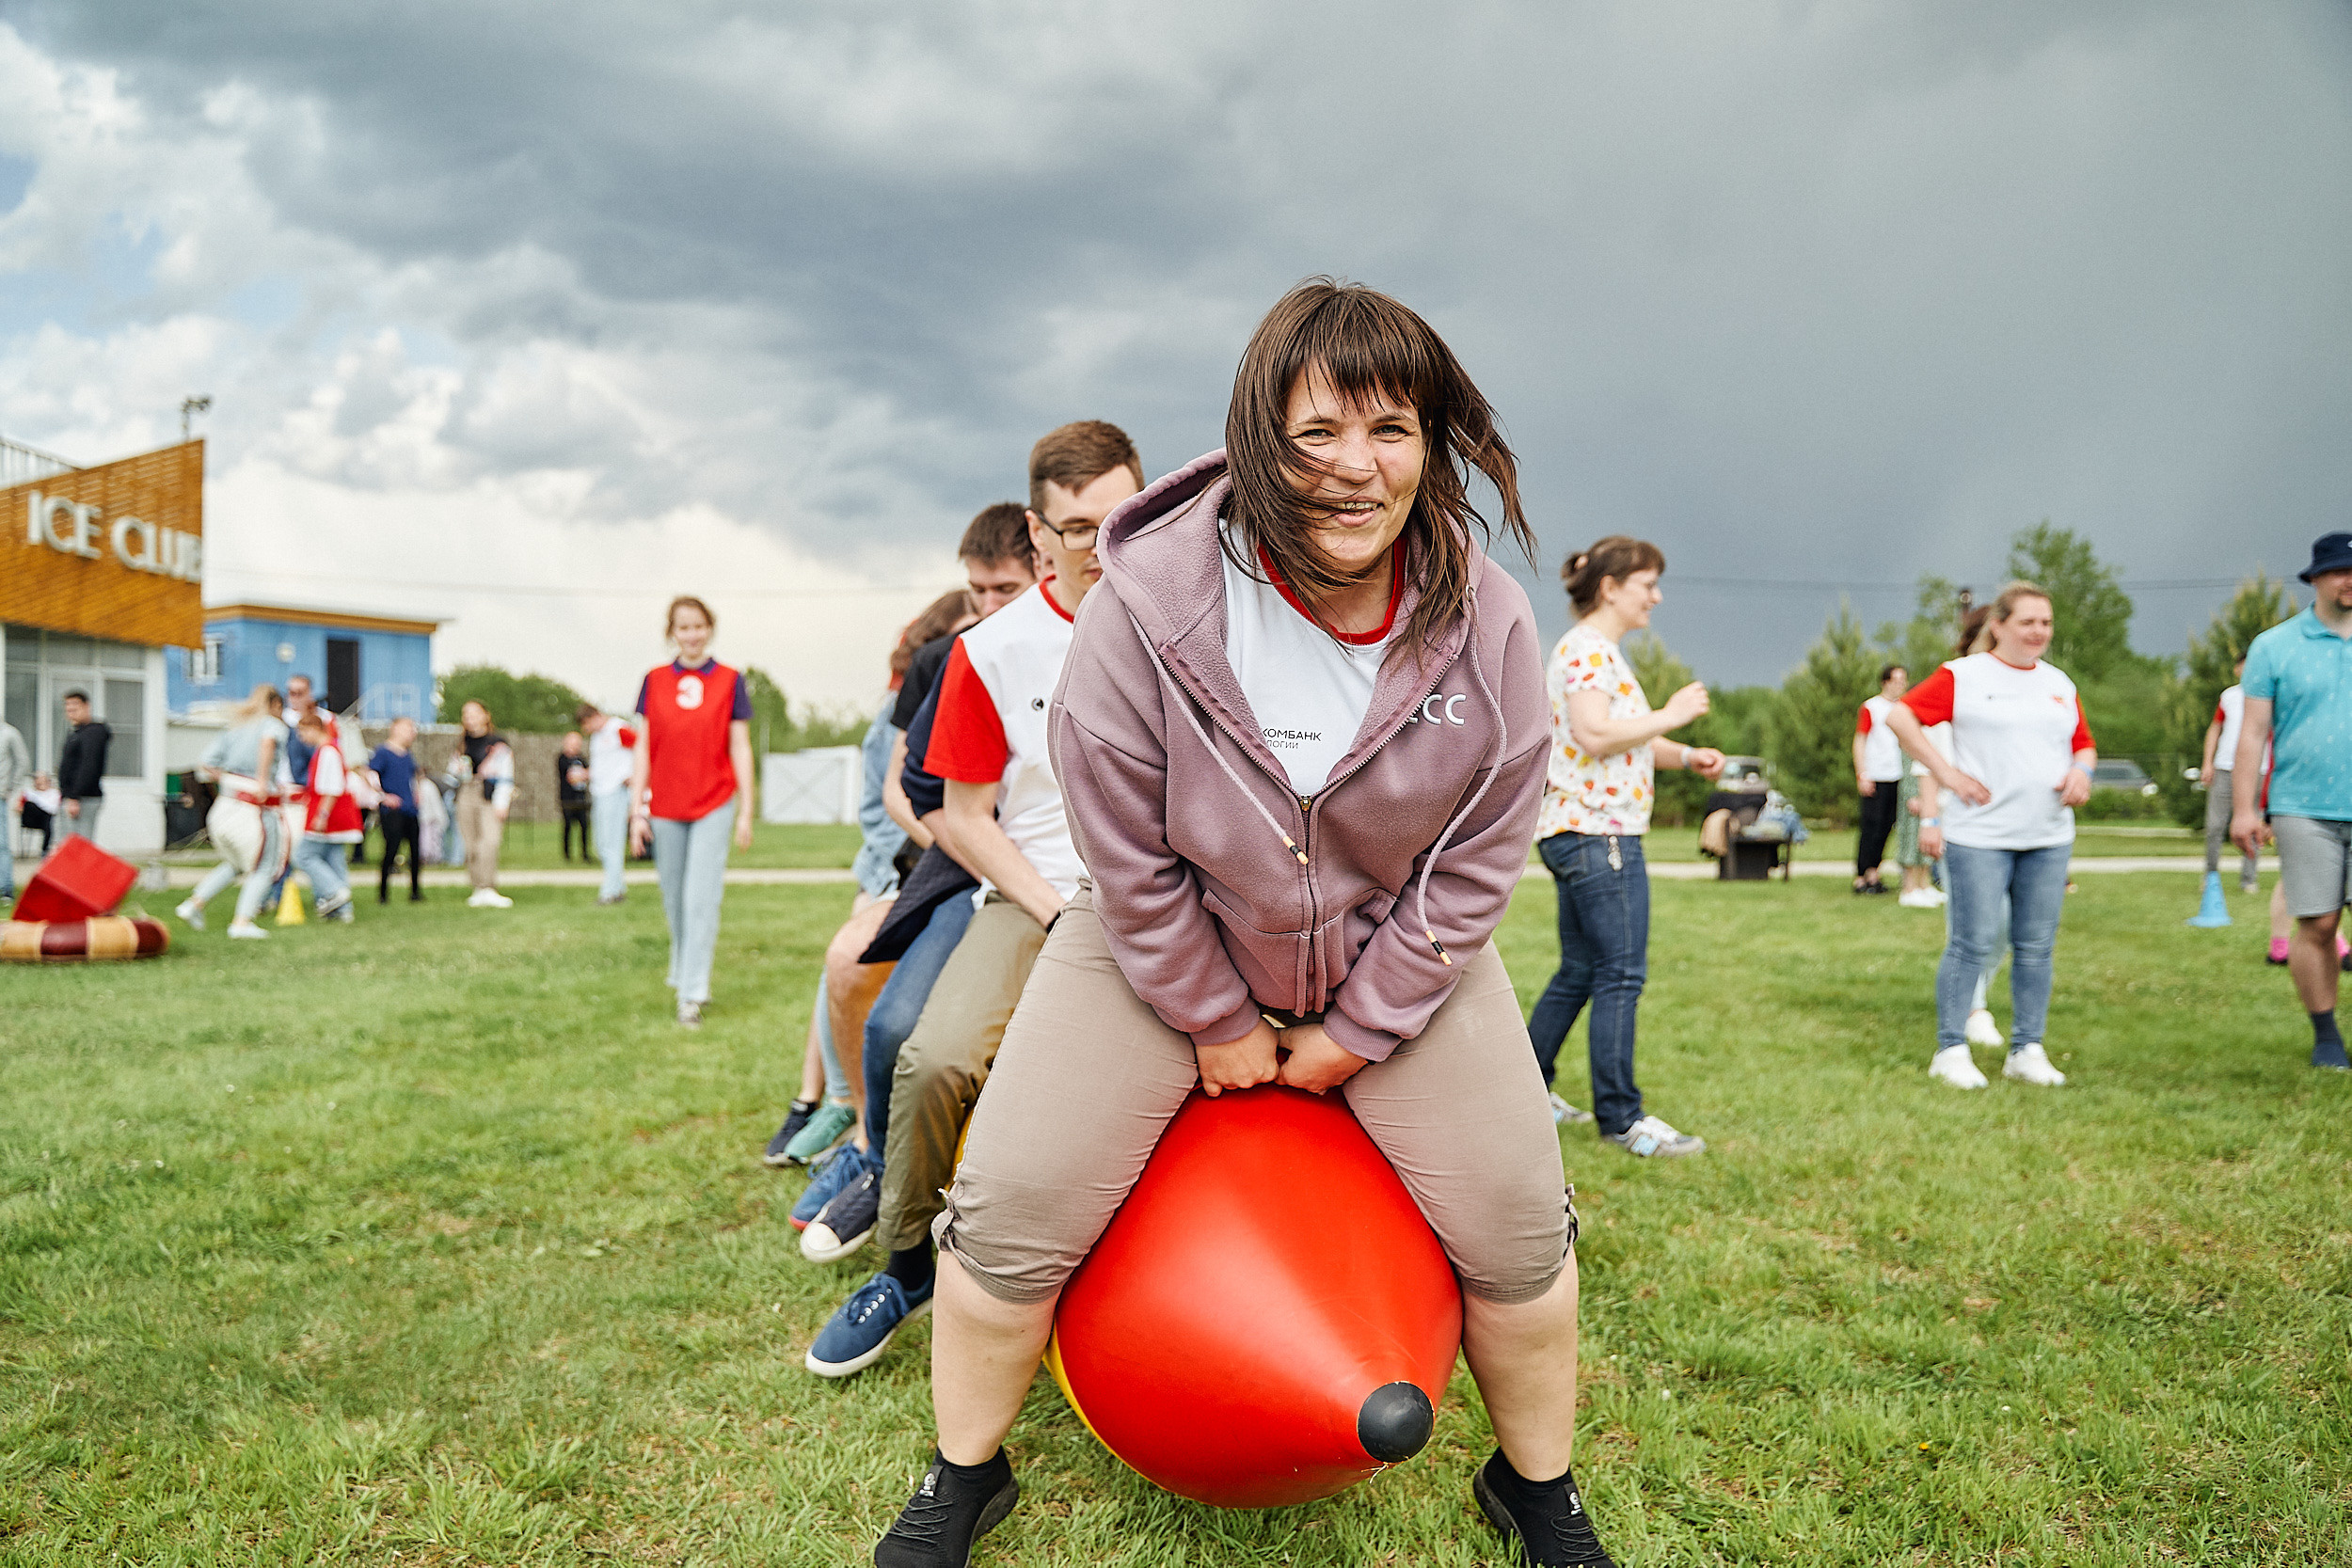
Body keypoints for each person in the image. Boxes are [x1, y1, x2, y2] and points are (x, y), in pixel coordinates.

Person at [866, 286, 1619, 1568]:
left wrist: (1361, 1025)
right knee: (1008, 1209)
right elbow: (1121, 838)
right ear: (1255, 440)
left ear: (1433, 442)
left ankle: (1533, 1486)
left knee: (1517, 1225)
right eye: (1314, 431)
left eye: (1389, 429)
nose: (1353, 467)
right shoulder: (1150, 598)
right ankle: (965, 1473)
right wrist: (1214, 1018)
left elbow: (1482, 851)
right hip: (1160, 937)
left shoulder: (1484, 612)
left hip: (1400, 950)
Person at [805, 424, 1138, 1381]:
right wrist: (1055, 909)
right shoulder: (990, 648)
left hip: (1164, 901)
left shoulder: (1185, 627)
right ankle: (908, 1264)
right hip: (1035, 896)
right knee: (934, 1056)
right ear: (1039, 532)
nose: (1096, 542)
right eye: (1075, 525)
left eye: (1117, 519)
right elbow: (961, 812)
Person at [780, 513, 1032, 1189]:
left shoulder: (1075, 649)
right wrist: (974, 850)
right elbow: (902, 788)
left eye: (1005, 589)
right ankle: (864, 1140)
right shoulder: (943, 659)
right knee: (849, 962)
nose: (989, 607)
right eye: (979, 590)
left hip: (1041, 879)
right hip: (948, 863)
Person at [765, 584, 983, 1170]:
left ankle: (820, 1101)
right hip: (899, 862)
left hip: (935, 863)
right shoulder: (906, 706)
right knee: (848, 961)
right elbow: (891, 802)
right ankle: (834, 1104)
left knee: (851, 963)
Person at [1524, 536, 1724, 1158]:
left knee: (1581, 970)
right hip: (1599, 832)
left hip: (1579, 831)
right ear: (1611, 587)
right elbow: (1594, 732)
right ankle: (1623, 1119)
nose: (1656, 597)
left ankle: (1528, 1094)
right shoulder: (1588, 651)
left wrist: (1686, 755)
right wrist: (1672, 714)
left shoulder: (1597, 651)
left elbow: (1620, 738)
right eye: (1647, 584)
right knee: (1619, 973)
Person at [1885, 581, 2094, 1090]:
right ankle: (1951, 1048)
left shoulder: (2059, 684)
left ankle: (2027, 1048)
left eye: (2045, 622)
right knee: (1971, 943)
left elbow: (2083, 744)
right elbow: (1900, 717)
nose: (2038, 632)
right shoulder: (1963, 676)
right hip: (1979, 835)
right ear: (1998, 625)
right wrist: (1948, 773)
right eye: (2027, 622)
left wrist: (2081, 772)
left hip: (2047, 835)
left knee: (2035, 946)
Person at [2231, 531, 2352, 1070]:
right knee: (2319, 923)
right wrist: (2243, 809)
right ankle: (2326, 1034)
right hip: (2303, 805)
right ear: (2316, 579)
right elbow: (2252, 734)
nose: (2348, 581)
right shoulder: (2274, 646)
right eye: (2338, 571)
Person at [628, 595, 756, 1027]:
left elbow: (739, 746)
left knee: (701, 899)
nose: (692, 635)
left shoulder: (730, 680)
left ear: (710, 629)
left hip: (714, 801)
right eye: (683, 627)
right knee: (675, 898)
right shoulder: (654, 680)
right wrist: (636, 811)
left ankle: (692, 993)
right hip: (665, 804)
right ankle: (683, 970)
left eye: (699, 626)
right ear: (672, 633)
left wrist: (745, 810)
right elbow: (644, 747)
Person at [174, 686, 288, 940]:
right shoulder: (272, 724)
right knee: (265, 866)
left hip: (224, 806)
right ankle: (242, 921)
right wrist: (260, 780)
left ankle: (194, 903)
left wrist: (229, 780)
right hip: (252, 809)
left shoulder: (236, 727)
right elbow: (267, 742)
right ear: (276, 705)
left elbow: (206, 763)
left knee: (235, 863)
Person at [292, 711, 362, 923]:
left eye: (303, 732)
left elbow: (331, 788)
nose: (302, 738)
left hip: (328, 814)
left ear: (314, 729)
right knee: (334, 858)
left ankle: (335, 891)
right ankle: (343, 910)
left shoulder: (327, 751)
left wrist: (321, 815)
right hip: (335, 814)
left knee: (303, 856)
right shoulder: (331, 749)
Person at [2200, 657, 2260, 895]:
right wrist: (2207, 762)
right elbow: (2215, 729)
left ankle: (2249, 878)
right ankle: (2210, 875)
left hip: (2257, 769)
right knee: (2215, 825)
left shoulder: (2268, 695)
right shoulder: (2229, 696)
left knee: (2253, 825)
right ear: (2237, 669)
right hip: (2225, 767)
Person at [1852, 665, 1907, 895]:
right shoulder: (1871, 707)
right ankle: (1861, 875)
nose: (1900, 685)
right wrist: (1862, 773)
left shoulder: (1904, 708)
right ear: (1885, 682)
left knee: (1887, 825)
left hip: (1897, 774)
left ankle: (1875, 871)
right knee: (1871, 826)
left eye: (1903, 681)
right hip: (1875, 774)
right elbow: (1860, 740)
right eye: (1896, 681)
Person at [454, 700, 515, 908]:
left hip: (489, 794)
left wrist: (502, 802)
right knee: (470, 843)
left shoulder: (498, 744)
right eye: (466, 714)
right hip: (466, 793)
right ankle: (478, 888)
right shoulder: (462, 743)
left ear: (485, 715)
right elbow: (453, 772)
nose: (469, 718)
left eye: (474, 713)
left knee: (489, 841)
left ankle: (489, 886)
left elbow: (506, 774)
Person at [578, 704, 639, 905]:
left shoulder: (618, 728)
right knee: (602, 843)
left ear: (595, 716)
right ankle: (618, 886)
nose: (586, 730)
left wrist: (633, 774)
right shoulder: (597, 737)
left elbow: (643, 747)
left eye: (586, 724)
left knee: (612, 842)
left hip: (615, 791)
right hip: (600, 791)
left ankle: (610, 892)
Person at [367, 717, 425, 903]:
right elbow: (370, 775)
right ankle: (383, 894)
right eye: (409, 728)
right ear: (396, 729)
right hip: (393, 812)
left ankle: (415, 892)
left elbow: (413, 776)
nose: (412, 732)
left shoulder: (407, 754)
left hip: (410, 810)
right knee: (391, 850)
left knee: (415, 852)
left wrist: (417, 793)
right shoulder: (383, 752)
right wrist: (384, 796)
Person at [56, 689, 110, 841]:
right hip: (71, 797)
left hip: (83, 798)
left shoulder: (93, 733)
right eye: (68, 710)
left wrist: (74, 797)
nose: (71, 713)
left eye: (75, 709)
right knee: (67, 845)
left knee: (79, 845)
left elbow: (89, 765)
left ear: (87, 706)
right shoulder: (77, 733)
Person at [0, 714, 28, 907]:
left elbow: (23, 761)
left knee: (1, 843)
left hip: (0, 795)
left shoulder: (9, 733)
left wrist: (11, 787)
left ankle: (6, 889)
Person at [556, 731, 593, 861]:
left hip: (581, 798)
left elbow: (591, 773)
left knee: (584, 826)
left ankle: (585, 854)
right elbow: (571, 777)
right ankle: (567, 854)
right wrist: (583, 775)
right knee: (568, 826)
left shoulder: (581, 759)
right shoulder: (562, 759)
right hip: (568, 799)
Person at [20, 773, 58, 856]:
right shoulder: (29, 793)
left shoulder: (54, 793)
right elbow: (18, 808)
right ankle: (45, 850)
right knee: (30, 804)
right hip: (33, 820)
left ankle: (45, 850)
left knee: (49, 819)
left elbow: (56, 808)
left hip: (49, 820)